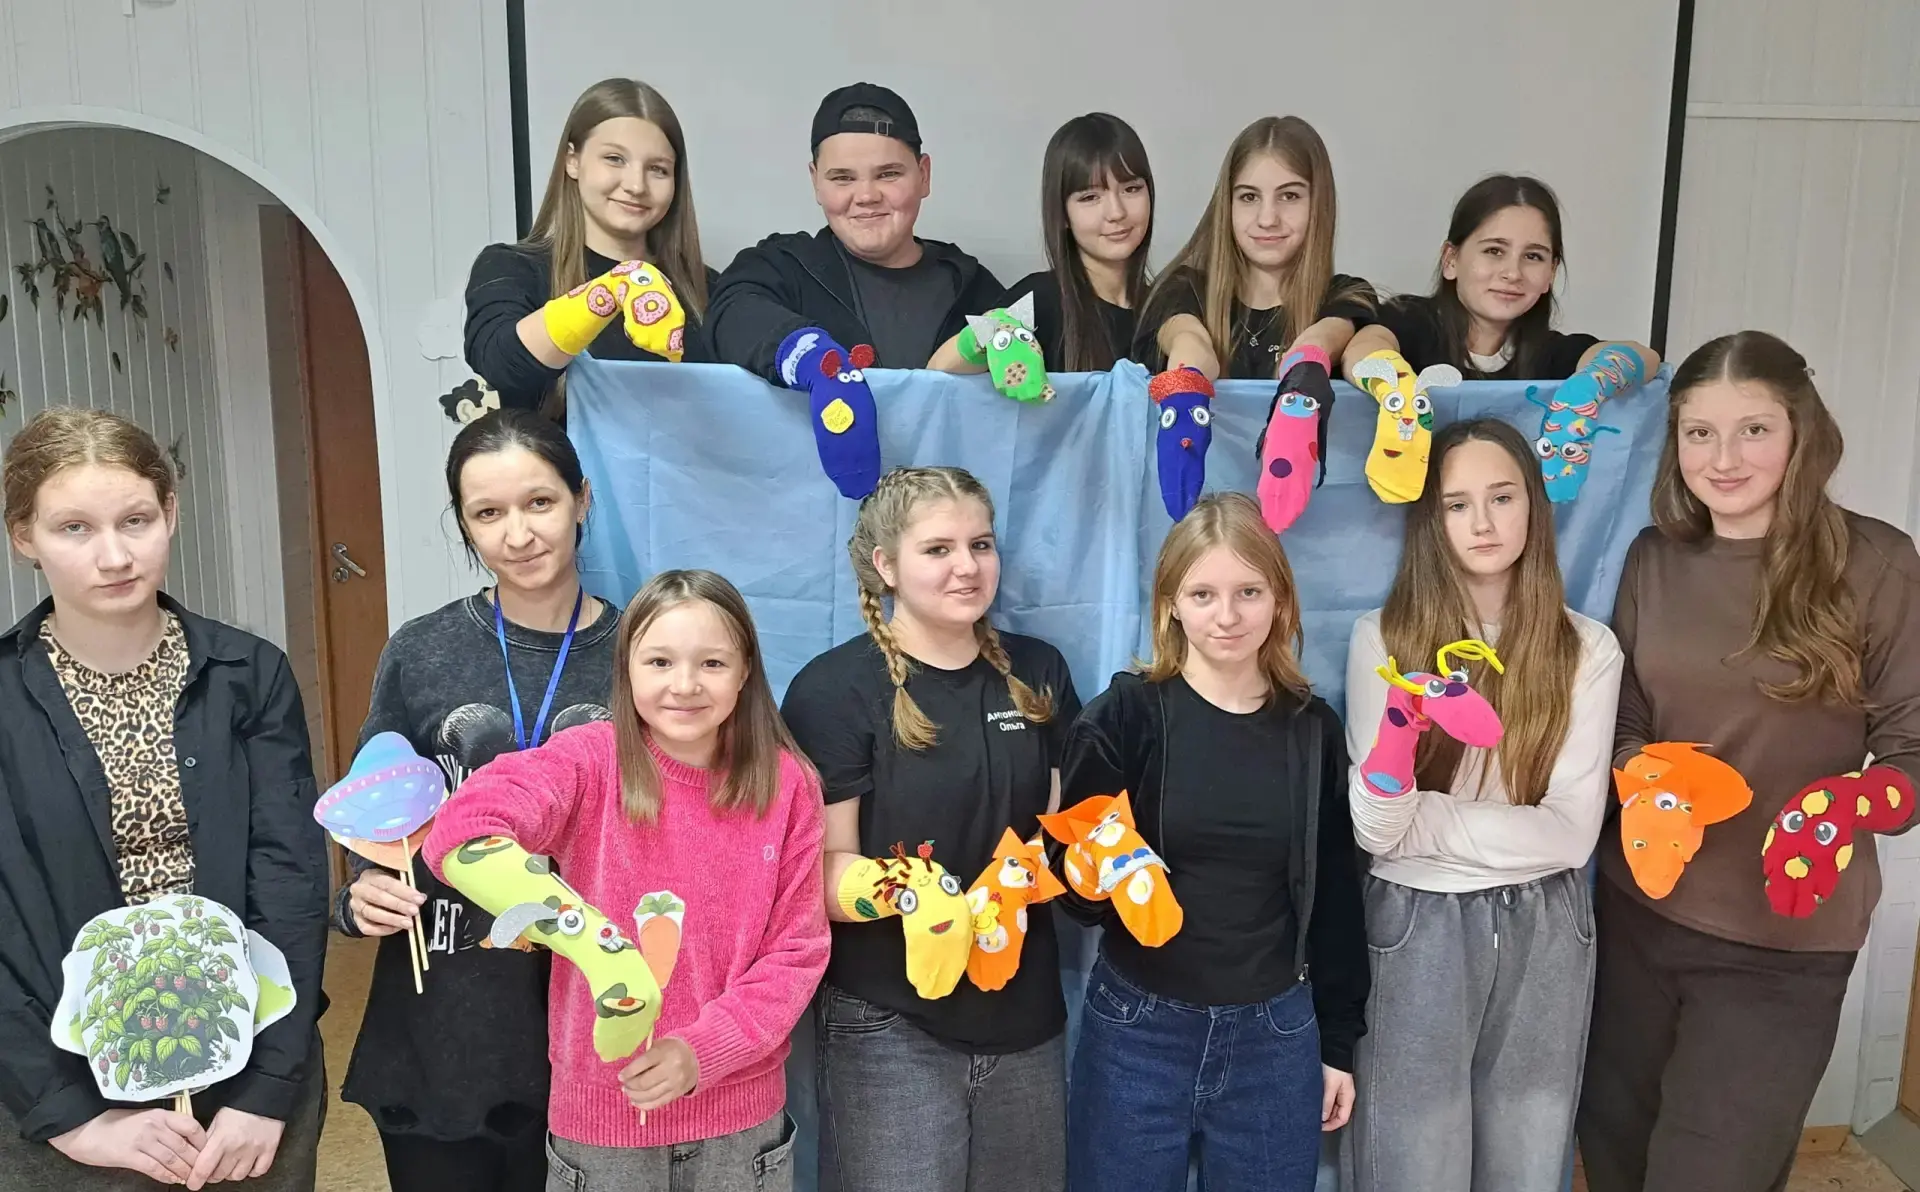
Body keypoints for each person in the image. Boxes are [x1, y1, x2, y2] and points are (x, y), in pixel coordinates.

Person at [1574, 331, 1920, 1192]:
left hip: (1784, 943)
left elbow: (1912, 754)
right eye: (1701, 433)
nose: (1724, 459)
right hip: (1636, 916)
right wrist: (1644, 777)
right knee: (1617, 1161)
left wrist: (1847, 807)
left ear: (1802, 430)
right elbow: (1624, 715)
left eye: (1753, 430)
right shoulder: (1654, 559)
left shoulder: (1878, 563)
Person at [0, 408, 328, 1191]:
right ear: (23, 537)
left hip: (246, 1080)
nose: (114, 555)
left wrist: (267, 1089)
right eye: (74, 529)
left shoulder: (249, 674)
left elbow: (288, 880)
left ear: (170, 512)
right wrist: (71, 1116)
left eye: (136, 521)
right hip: (63, 1092)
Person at [423, 569, 827, 1190]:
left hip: (742, 1124)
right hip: (603, 1123)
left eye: (713, 663)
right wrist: (599, 948)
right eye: (660, 661)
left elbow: (796, 952)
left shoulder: (787, 783)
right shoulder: (588, 760)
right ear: (627, 669)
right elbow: (463, 828)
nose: (685, 685)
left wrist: (703, 1050)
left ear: (745, 671)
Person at [332, 410, 620, 1190]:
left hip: (588, 1009)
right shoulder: (421, 650)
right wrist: (360, 893)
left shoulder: (642, 656)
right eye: (488, 513)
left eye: (540, 503)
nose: (518, 534)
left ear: (582, 499)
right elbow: (374, 801)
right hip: (444, 1016)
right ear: (464, 525)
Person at [780, 466, 1080, 1192]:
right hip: (890, 1022)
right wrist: (912, 894)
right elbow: (820, 872)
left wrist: (1070, 867)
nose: (967, 567)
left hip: (1024, 1014)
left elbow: (1061, 832)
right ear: (886, 565)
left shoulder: (1037, 670)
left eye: (981, 544)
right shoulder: (834, 689)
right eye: (938, 549)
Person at [1341, 419, 1623, 1191]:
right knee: (1411, 1163)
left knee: (1527, 1159)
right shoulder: (1383, 640)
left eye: (1502, 497)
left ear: (1534, 503)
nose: (1484, 523)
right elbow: (1378, 830)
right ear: (1431, 520)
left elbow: (1570, 837)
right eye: (1457, 504)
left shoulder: (1587, 649)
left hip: (1546, 925)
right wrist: (1416, 821)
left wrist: (1426, 818)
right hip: (1414, 924)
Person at [1058, 491, 1368, 1192]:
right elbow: (1075, 893)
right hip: (1139, 1030)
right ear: (1171, 603)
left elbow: (1336, 897)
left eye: (1248, 592)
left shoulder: (1312, 730)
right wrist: (1092, 870)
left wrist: (1338, 1041)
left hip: (1276, 1038)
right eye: (1203, 594)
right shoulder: (1125, 718)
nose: (1227, 616)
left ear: (1280, 600)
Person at [1133, 116, 1376, 533]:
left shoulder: (1348, 295)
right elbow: (1187, 339)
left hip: (1316, 542)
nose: (1268, 218)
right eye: (1249, 197)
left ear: (1319, 204)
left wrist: (1306, 371)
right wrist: (1187, 384)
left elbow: (1330, 334)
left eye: (1290, 196)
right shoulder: (1183, 288)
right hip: (1201, 536)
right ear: (1226, 204)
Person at [706, 82, 1005, 380]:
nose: (866, 196)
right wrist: (804, 354)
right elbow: (732, 314)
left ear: (923, 175)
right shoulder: (779, 268)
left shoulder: (973, 288)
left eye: (888, 174)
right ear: (816, 182)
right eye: (843, 178)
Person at [463, 77, 714, 420]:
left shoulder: (708, 288)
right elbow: (501, 364)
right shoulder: (513, 266)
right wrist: (611, 291)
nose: (636, 185)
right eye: (614, 158)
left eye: (658, 169)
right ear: (573, 161)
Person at [1342, 175, 1659, 382]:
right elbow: (1363, 350)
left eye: (1533, 256)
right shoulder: (1408, 321)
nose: (1512, 273)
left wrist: (1594, 384)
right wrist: (1394, 383)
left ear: (1551, 273)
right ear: (1451, 260)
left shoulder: (1551, 355)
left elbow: (1646, 359)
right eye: (1494, 251)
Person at [930, 112, 1154, 375]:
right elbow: (937, 371)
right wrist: (986, 336)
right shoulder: (1041, 299)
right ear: (1062, 214)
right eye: (1090, 197)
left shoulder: (1165, 310)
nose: (1116, 212)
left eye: (1131, 189)